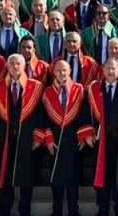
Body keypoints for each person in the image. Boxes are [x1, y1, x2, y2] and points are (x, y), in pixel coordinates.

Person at [0, 54, 44, 216]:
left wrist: (38, 136)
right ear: (7, 66)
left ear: (24, 65)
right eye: (11, 63)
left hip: (27, 138)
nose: (15, 66)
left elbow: (41, 114)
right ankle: (4, 209)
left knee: (26, 176)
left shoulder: (36, 87)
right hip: (5, 138)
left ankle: (24, 210)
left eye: (18, 63)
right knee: (4, 174)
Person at [38, 59, 89, 216]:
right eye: (59, 70)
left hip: (73, 139)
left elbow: (84, 115)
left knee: (73, 178)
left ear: (70, 71)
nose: (62, 73)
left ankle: (74, 210)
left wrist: (83, 136)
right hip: (54, 141)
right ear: (54, 72)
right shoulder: (47, 92)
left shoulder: (79, 89)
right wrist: (48, 138)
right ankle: (57, 210)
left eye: (65, 70)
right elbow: (43, 118)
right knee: (56, 178)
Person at [87, 59, 118, 216]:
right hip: (100, 140)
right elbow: (86, 113)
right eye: (107, 68)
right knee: (102, 174)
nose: (110, 71)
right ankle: (102, 208)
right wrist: (87, 133)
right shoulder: (93, 88)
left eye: (113, 68)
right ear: (102, 70)